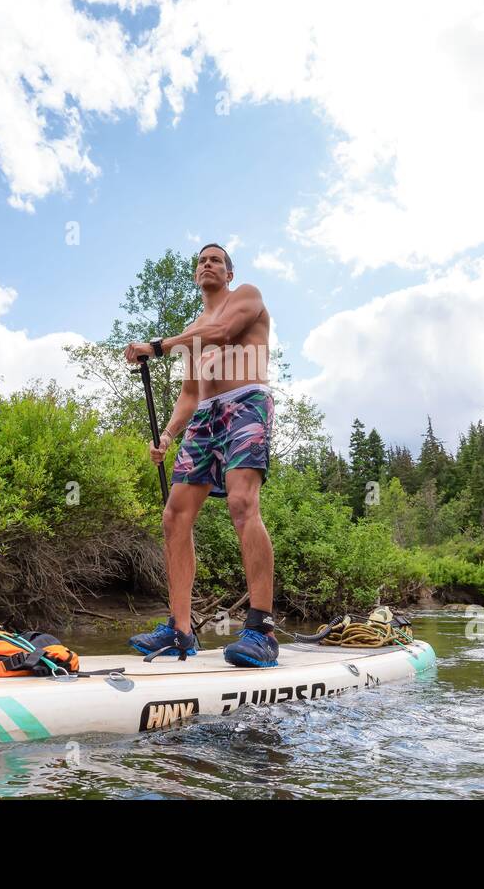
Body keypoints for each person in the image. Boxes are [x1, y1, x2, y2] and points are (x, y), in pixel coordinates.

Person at [123, 243, 279, 667]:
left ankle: (261, 630)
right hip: (205, 419)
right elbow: (190, 394)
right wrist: (168, 435)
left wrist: (158, 346)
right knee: (174, 514)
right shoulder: (194, 329)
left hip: (247, 403)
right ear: (196, 275)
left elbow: (225, 331)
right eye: (202, 261)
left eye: (216, 260)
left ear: (228, 274)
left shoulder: (245, 295)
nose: (208, 264)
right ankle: (179, 631)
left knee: (242, 504)